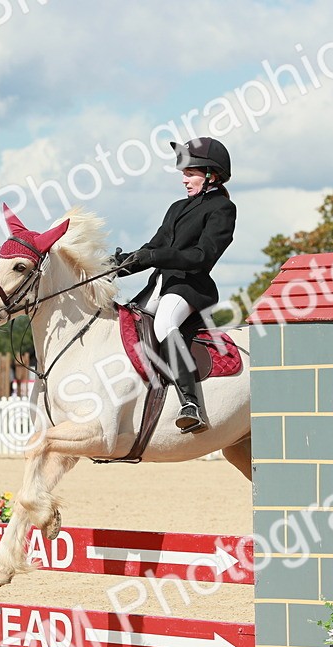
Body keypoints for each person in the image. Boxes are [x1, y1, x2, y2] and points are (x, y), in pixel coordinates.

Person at [114, 137, 237, 433]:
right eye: (184, 173)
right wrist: (116, 266)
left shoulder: (222, 209)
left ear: (211, 175)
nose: (184, 179)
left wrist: (158, 256)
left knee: (164, 322)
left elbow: (203, 256)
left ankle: (189, 404)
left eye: (189, 173)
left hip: (189, 286)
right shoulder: (176, 207)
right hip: (160, 284)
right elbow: (152, 246)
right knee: (125, 322)